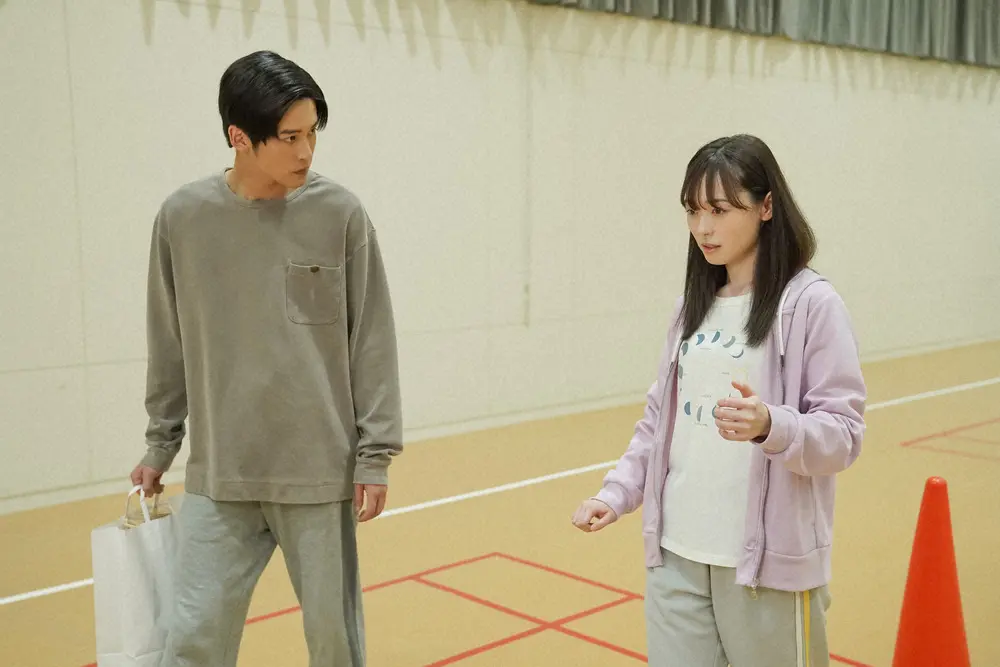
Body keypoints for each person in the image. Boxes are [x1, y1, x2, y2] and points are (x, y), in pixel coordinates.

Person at [129, 50, 403, 667]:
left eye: (312, 133)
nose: (306, 152)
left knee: (334, 644)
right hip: (220, 475)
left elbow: (372, 340)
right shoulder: (182, 219)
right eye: (289, 137)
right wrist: (159, 445)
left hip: (318, 474)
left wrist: (375, 454)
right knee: (191, 639)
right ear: (239, 137)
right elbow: (168, 340)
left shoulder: (339, 213)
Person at [571, 134, 866, 667]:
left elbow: (843, 436)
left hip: (766, 570)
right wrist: (617, 493)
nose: (703, 227)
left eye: (720, 210)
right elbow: (659, 424)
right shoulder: (692, 308)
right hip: (676, 556)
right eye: (693, 210)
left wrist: (771, 425)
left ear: (766, 206)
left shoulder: (811, 305)